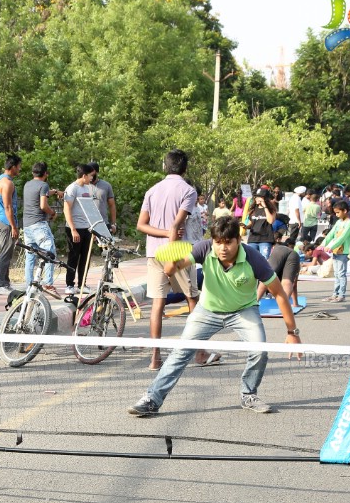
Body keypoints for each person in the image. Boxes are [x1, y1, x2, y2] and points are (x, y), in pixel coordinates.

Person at [127, 216, 302, 417]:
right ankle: (152, 399)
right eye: (218, 243)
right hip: (207, 310)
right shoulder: (204, 248)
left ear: (238, 240)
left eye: (228, 242)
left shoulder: (254, 259)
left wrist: (292, 332)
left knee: (259, 350)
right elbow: (171, 270)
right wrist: (171, 260)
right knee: (180, 352)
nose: (223, 248)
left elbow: (279, 294)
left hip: (243, 310)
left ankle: (249, 394)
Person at [137, 149, 202, 370]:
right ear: (185, 168)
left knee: (157, 304)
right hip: (176, 253)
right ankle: (200, 353)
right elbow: (176, 226)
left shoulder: (152, 190)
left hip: (154, 252)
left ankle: (155, 359)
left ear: (165, 166)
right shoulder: (188, 191)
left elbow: (141, 225)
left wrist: (163, 234)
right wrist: (171, 253)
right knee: (193, 299)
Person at [21, 162, 59, 294]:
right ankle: (48, 284)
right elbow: (43, 205)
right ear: (46, 174)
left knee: (30, 257)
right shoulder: (44, 185)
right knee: (50, 253)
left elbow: (41, 193)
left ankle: (29, 287)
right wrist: (53, 213)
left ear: (33, 173)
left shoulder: (27, 184)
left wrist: (54, 192)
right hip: (39, 225)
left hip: (27, 226)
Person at [63, 164, 95, 294]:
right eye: (90, 176)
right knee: (73, 257)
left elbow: (91, 209)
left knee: (85, 258)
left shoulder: (88, 188)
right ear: (84, 176)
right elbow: (67, 208)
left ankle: (82, 284)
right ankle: (70, 285)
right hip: (75, 228)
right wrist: (73, 229)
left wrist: (93, 227)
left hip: (87, 228)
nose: (92, 178)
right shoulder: (72, 188)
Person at [0, 155, 21, 294]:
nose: (20, 169)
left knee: (8, 252)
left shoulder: (1, 179)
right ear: (13, 167)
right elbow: (8, 207)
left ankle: (5, 282)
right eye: (19, 166)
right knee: (5, 251)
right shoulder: (7, 183)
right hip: (5, 221)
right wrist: (14, 226)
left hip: (4, 220)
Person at [257, 224, 301, 307]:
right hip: (294, 255)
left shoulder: (276, 248)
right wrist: (295, 304)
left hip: (280, 252)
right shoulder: (290, 252)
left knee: (267, 277)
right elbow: (293, 284)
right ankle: (284, 306)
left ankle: (255, 302)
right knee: (287, 281)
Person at [322, 200, 350, 303]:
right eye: (335, 212)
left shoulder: (349, 223)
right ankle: (334, 294)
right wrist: (322, 244)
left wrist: (330, 246)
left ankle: (341, 295)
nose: (336, 215)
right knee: (336, 274)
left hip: (342, 252)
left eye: (338, 212)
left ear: (344, 211)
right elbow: (331, 234)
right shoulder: (338, 222)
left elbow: (342, 238)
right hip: (335, 251)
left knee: (341, 274)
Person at [244, 187, 277, 258]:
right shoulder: (253, 209)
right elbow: (251, 223)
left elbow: (270, 221)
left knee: (264, 259)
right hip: (253, 239)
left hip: (265, 239)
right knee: (251, 259)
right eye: (256, 197)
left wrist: (265, 206)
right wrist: (245, 226)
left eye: (259, 197)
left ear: (264, 198)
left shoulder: (271, 209)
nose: (256, 199)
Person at [88, 161, 118, 235]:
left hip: (103, 222)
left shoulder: (106, 186)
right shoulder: (83, 185)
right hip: (86, 224)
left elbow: (112, 205)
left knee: (104, 246)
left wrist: (113, 224)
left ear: (96, 172)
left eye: (91, 171)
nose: (90, 174)